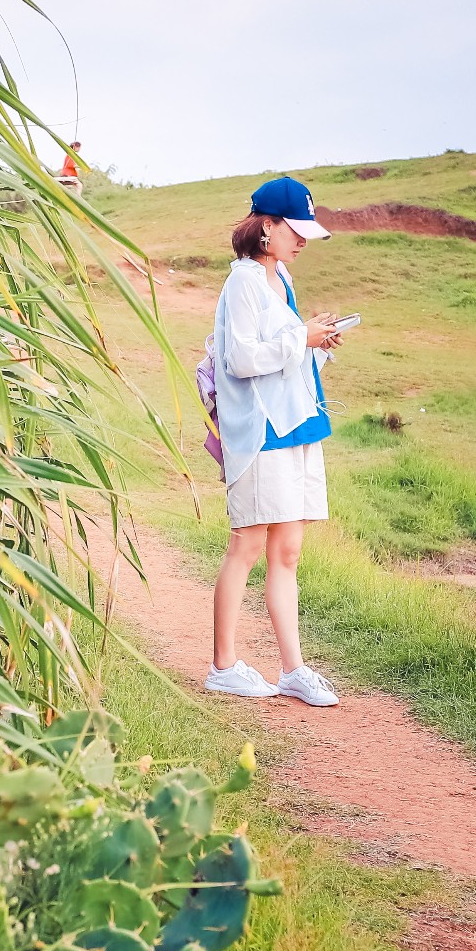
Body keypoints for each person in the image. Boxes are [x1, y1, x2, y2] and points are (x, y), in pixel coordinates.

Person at [204, 175, 343, 707]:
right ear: (267, 226)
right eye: (296, 228)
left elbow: (282, 353)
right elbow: (239, 359)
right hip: (261, 430)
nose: (304, 239)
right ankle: (223, 665)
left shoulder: (276, 274)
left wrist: (316, 341)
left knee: (287, 552)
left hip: (296, 424)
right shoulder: (242, 281)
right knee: (247, 543)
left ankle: (293, 670)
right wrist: (299, 337)